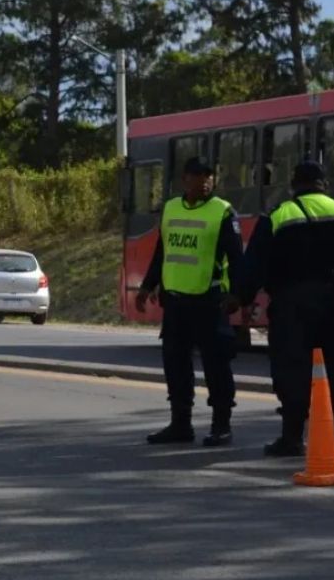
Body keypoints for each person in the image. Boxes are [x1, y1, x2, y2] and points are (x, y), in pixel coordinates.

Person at [241, 161, 334, 457]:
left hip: (291, 304)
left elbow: (253, 264)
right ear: (325, 185)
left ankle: (292, 437)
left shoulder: (278, 215)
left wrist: (244, 300)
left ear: (294, 186)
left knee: (292, 367)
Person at [136, 156, 244, 447]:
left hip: (209, 302)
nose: (206, 181)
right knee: (175, 364)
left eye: (210, 176)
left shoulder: (222, 212)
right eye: (199, 176)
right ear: (185, 179)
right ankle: (180, 423)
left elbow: (236, 258)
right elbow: (162, 252)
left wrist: (238, 295)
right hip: (175, 303)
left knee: (217, 365)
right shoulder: (171, 208)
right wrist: (147, 287)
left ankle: (221, 425)